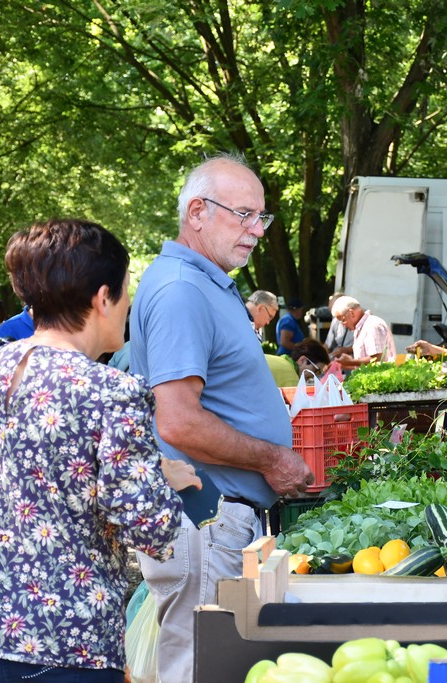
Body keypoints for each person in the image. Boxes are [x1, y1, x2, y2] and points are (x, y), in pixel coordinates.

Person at [0, 220, 197, 682]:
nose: (128, 306)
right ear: (102, 297)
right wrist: (161, 478)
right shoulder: (110, 390)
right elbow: (151, 529)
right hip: (58, 646)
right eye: (126, 292)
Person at [129, 153, 314, 683]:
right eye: (244, 215)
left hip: (218, 518)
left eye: (263, 218)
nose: (257, 231)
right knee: (200, 668)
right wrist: (272, 455)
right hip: (206, 518)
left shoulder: (203, 282)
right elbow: (179, 423)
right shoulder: (182, 289)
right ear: (197, 212)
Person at [332, 296, 396, 369]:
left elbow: (378, 359)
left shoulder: (372, 325)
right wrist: (342, 365)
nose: (343, 325)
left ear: (352, 313)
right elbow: (367, 365)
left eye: (343, 320)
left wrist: (351, 361)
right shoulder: (362, 328)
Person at [324, 292, 353, 356]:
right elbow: (328, 345)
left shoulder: (360, 320)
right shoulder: (335, 321)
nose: (336, 317)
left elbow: (365, 347)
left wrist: (347, 350)